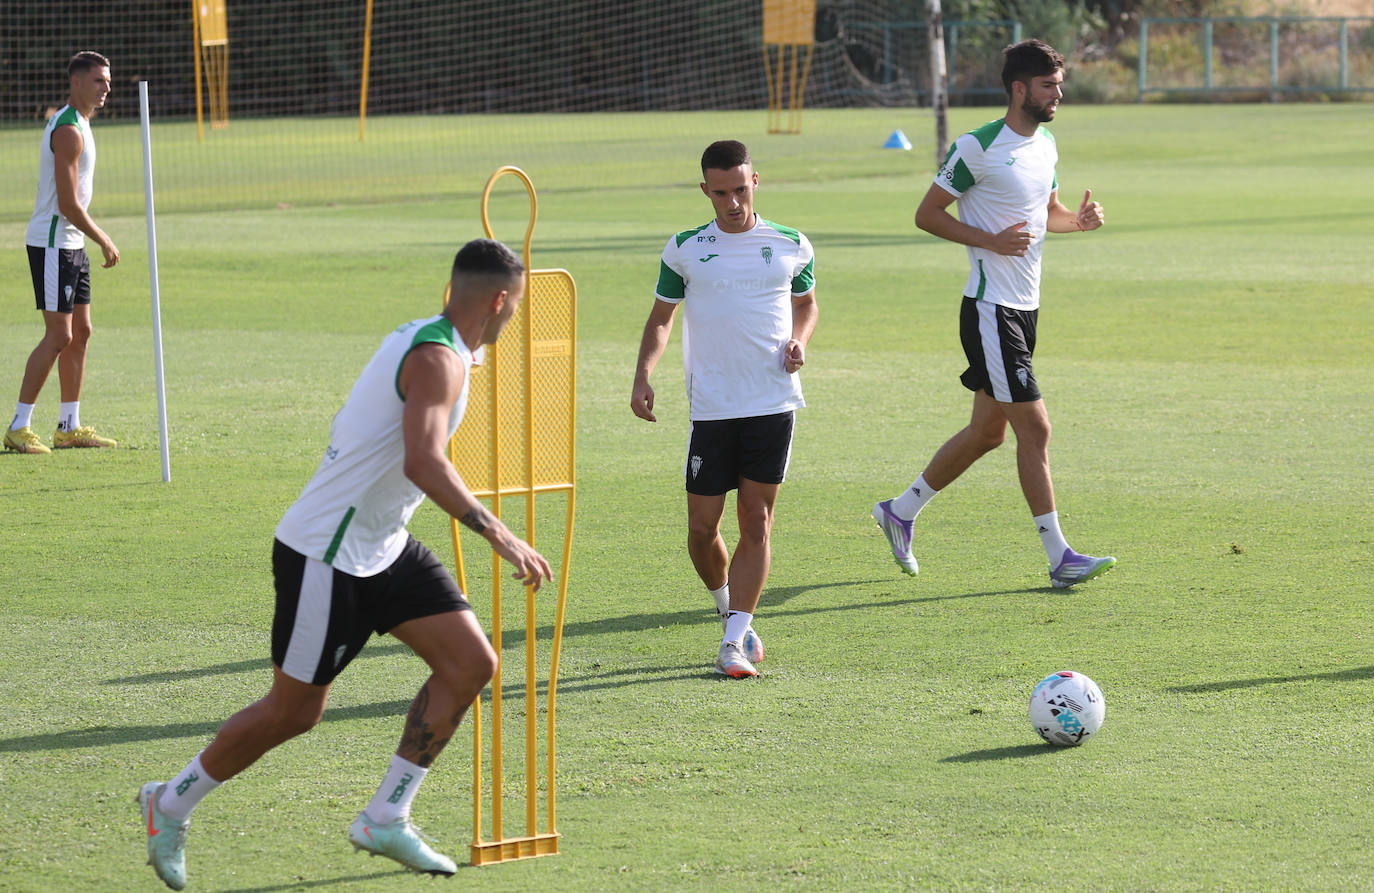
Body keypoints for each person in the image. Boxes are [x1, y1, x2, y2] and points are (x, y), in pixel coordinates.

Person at [137, 239, 553, 890]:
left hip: (383, 544)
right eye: (515, 307)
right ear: (499, 300)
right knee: (293, 712)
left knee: (470, 662)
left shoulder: (437, 340)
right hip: (326, 553)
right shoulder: (438, 357)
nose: (513, 318)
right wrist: (499, 533)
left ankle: (387, 814)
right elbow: (423, 460)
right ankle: (169, 802)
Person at [872, 39, 1116, 590]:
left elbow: (1047, 212)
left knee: (988, 434)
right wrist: (989, 240)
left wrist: (1079, 222)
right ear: (1019, 88)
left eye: (1060, 84)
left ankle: (900, 511)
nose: (1059, 94)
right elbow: (927, 214)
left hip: (1026, 307)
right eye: (1050, 85)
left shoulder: (1047, 143)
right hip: (990, 308)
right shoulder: (977, 146)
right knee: (1037, 428)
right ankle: (1060, 557)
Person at [631, 139, 818, 678]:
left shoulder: (790, 243)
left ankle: (734, 640)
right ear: (705, 191)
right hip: (711, 407)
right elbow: (662, 318)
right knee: (700, 528)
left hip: (772, 401)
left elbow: (805, 303)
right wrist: (643, 374)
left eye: (740, 189)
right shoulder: (685, 248)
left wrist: (800, 339)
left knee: (755, 519)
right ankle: (728, 609)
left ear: (756, 181)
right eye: (721, 193)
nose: (732, 202)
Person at [6, 51, 121, 455]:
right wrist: (104, 238)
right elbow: (68, 206)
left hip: (70, 243)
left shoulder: (84, 124)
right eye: (99, 81)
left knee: (81, 333)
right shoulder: (69, 130)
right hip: (54, 241)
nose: (107, 87)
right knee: (60, 334)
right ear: (76, 82)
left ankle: (68, 426)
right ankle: (19, 426)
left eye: (108, 80)